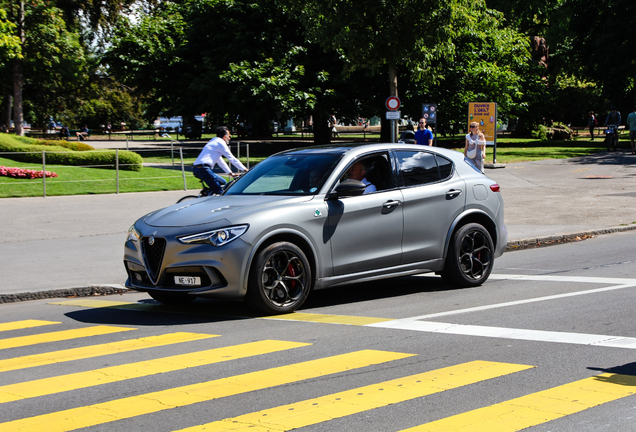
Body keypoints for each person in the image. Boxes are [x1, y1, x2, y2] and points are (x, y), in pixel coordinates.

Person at [192, 126, 248, 194]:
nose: (229, 138)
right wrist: (246, 170)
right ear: (224, 136)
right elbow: (232, 158)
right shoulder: (220, 143)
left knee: (223, 182)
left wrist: (231, 173)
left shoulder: (214, 141)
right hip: (204, 169)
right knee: (220, 192)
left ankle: (208, 194)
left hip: (198, 169)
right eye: (229, 136)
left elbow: (220, 161)